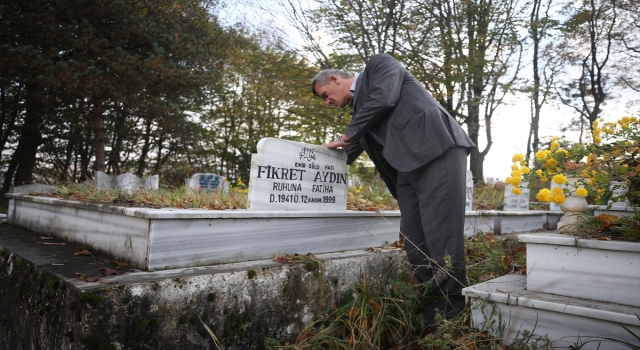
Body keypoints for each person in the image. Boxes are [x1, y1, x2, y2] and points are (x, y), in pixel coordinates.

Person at [312, 53, 475, 327]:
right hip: (406, 168)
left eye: (326, 95)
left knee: (442, 236)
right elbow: (348, 150)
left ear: (335, 79)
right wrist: (310, 160)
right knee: (414, 242)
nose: (328, 103)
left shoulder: (379, 66)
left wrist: (346, 135)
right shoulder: (360, 112)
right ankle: (431, 302)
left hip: (435, 149)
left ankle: (449, 315)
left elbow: (384, 99)